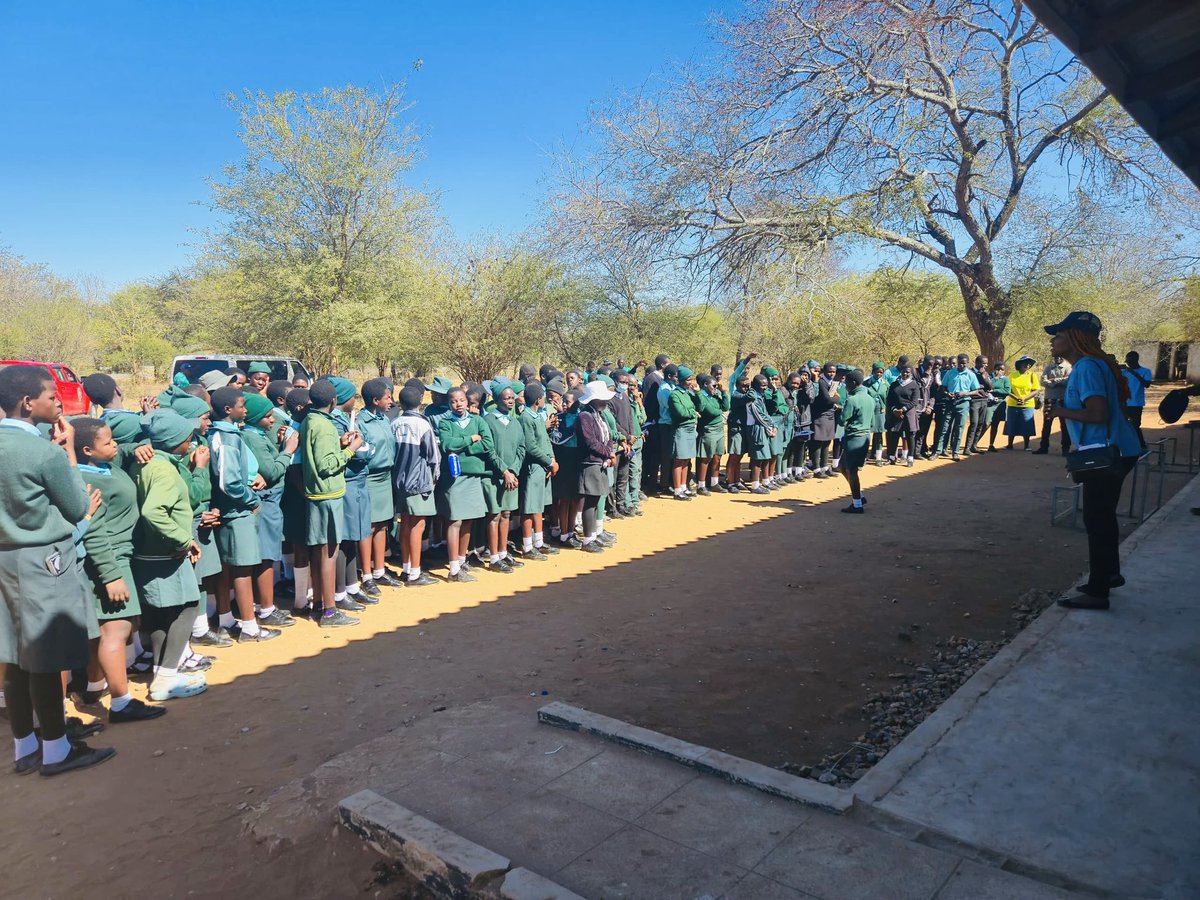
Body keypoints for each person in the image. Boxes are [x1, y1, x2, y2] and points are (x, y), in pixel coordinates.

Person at [0, 365, 116, 775]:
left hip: (4, 558)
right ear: (28, 402)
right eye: (51, 396)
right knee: (46, 656)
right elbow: (77, 507)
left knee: (14, 655)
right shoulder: (43, 452)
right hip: (42, 559)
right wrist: (67, 453)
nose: (59, 403)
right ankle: (55, 749)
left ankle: (25, 746)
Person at [1044, 312, 1141, 610]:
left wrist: (1060, 411)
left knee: (1096, 519)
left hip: (1106, 452)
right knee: (1103, 516)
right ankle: (1109, 574)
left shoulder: (1086, 367)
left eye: (1059, 334)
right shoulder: (1095, 364)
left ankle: (1098, 592)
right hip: (1120, 448)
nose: (1053, 340)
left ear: (1076, 337)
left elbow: (1098, 414)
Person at [73, 418, 165, 722]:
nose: (115, 445)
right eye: (108, 442)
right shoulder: (89, 482)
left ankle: (93, 686)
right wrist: (111, 575)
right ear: (87, 450)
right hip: (110, 558)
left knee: (102, 629)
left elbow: (121, 450)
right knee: (117, 628)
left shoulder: (101, 465)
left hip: (116, 556)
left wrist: (133, 447)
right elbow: (94, 532)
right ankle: (121, 702)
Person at [132, 410, 209, 702]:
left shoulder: (146, 462)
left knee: (158, 614)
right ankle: (165, 679)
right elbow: (153, 511)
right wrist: (184, 539)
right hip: (166, 553)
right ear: (174, 440)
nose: (191, 441)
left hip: (147, 551)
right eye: (187, 437)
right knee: (187, 607)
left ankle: (161, 671)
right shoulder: (163, 470)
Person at [208, 388, 277, 642]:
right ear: (228, 410)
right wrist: (251, 500)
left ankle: (226, 619)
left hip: (227, 510)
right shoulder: (226, 438)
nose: (245, 410)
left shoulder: (219, 433)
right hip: (236, 512)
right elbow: (229, 482)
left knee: (227, 567)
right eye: (241, 406)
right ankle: (249, 627)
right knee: (242, 568)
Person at [299, 379, 361, 627]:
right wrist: (350, 450)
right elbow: (326, 465)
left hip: (315, 494)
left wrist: (339, 443)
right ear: (334, 402)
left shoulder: (310, 420)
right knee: (329, 553)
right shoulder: (323, 426)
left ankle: (318, 603)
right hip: (328, 495)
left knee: (318, 552)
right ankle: (330, 612)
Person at [240, 391, 298, 629]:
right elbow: (272, 471)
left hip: (270, 501)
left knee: (267, 553)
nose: (272, 420)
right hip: (267, 502)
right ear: (255, 418)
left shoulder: (257, 435)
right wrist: (288, 450)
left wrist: (279, 444)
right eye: (267, 417)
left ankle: (263, 605)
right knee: (266, 555)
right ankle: (266, 608)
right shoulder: (252, 438)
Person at [435, 387, 494, 581]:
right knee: (455, 521)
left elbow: (488, 444)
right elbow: (447, 445)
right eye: (453, 401)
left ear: (467, 402)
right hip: (455, 478)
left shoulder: (478, 421)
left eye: (461, 400)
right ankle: (453, 569)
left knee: (468, 519)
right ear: (449, 404)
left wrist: (463, 448)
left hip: (473, 477)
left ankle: (462, 561)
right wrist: (470, 439)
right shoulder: (445, 423)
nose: (458, 404)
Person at [391, 383, 440, 585]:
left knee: (405, 524)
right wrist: (434, 480)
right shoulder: (423, 425)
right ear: (420, 400)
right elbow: (433, 457)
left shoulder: (394, 423)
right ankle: (415, 573)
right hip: (419, 482)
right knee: (417, 526)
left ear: (400, 403)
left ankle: (406, 567)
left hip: (399, 482)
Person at [357, 379, 402, 590]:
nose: (391, 401)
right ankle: (367, 575)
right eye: (387, 398)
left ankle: (379, 570)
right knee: (369, 526)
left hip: (386, 477)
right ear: (375, 400)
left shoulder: (383, 418)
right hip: (370, 478)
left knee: (383, 524)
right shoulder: (360, 422)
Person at [481, 384, 525, 573]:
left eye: (512, 397)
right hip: (494, 477)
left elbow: (522, 448)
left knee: (506, 514)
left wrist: (513, 471)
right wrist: (504, 471)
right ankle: (493, 558)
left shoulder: (515, 422)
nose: (511, 401)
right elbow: (488, 450)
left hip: (511, 477)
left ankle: (503, 552)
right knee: (494, 515)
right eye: (506, 398)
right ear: (497, 399)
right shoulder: (488, 421)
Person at [516, 381, 559, 559]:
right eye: (543, 398)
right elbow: (531, 446)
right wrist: (549, 461)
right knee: (529, 507)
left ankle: (539, 542)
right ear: (538, 400)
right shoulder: (526, 418)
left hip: (543, 467)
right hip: (532, 468)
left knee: (538, 506)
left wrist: (552, 460)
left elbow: (545, 441)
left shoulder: (537, 416)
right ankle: (527, 546)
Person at [574, 380, 616, 551]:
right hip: (589, 462)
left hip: (600, 462)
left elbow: (608, 436)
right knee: (590, 502)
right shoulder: (585, 416)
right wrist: (609, 453)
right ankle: (587, 540)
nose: (605, 401)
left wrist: (609, 452)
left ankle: (592, 536)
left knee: (595, 499)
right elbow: (590, 442)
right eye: (602, 399)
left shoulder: (599, 415)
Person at [934, 354, 982, 459]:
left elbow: (976, 391)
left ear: (968, 363)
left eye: (964, 363)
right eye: (960, 363)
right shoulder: (950, 373)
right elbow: (943, 387)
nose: (962, 365)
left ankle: (955, 452)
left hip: (963, 403)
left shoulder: (971, 375)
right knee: (945, 428)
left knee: (959, 428)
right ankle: (937, 451)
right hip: (950, 403)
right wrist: (947, 393)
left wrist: (965, 393)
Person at [666, 367, 700, 500]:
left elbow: (700, 406)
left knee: (686, 459)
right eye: (688, 379)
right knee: (678, 460)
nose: (691, 382)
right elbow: (680, 412)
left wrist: (697, 394)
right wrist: (693, 413)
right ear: (681, 380)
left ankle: (683, 486)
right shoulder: (674, 395)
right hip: (681, 429)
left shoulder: (688, 393)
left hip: (691, 429)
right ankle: (677, 491)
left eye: (691, 379)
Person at [1034, 356, 1072, 455]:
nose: (1057, 358)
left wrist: (1053, 380)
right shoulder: (1049, 367)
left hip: (1063, 400)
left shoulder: (1068, 367)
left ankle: (1065, 448)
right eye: (1055, 357)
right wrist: (1056, 382)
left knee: (1064, 425)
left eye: (1059, 356)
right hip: (1049, 399)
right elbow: (1042, 381)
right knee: (1046, 424)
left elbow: (1068, 381)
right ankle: (1044, 447)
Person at [885, 364, 920, 466]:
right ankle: (892, 457)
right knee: (894, 435)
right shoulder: (894, 384)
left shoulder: (914, 385)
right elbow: (889, 400)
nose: (905, 374)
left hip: (908, 413)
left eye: (907, 372)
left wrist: (903, 409)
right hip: (895, 413)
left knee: (910, 435)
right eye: (903, 371)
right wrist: (895, 410)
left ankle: (910, 458)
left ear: (911, 373)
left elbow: (914, 401)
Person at [1005, 355, 1041, 450]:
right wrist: (1016, 398)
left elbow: (1036, 390)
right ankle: (1009, 445)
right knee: (1012, 424)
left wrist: (1024, 399)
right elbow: (1007, 389)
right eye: (1025, 363)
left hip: (1028, 404)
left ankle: (1026, 445)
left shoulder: (1032, 375)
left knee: (1027, 424)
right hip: (1013, 403)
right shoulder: (1012, 375)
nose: (1027, 365)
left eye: (1029, 363)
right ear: (1020, 364)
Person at [1121, 351, 1153, 450]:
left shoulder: (1145, 371)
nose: (1128, 363)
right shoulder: (1124, 372)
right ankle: (1127, 444)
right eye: (1127, 361)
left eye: (1130, 361)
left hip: (1136, 403)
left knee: (1135, 425)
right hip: (1124, 403)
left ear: (1136, 360)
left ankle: (1141, 445)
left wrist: (1134, 373)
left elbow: (1147, 384)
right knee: (1123, 425)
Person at [964, 355, 993, 455]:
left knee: (981, 423)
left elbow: (990, 387)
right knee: (974, 423)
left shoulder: (985, 373)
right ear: (978, 363)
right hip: (974, 401)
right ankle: (967, 447)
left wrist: (984, 377)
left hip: (984, 400)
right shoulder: (970, 372)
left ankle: (974, 446)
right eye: (984, 363)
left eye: (986, 363)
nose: (986, 365)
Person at [984, 362, 1011, 451]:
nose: (1000, 371)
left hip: (1000, 403)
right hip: (990, 403)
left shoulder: (1005, 379)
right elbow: (987, 388)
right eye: (998, 369)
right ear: (994, 369)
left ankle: (991, 444)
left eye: (1002, 369)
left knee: (995, 425)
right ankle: (974, 443)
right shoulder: (990, 378)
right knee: (986, 423)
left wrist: (994, 390)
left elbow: (1007, 391)